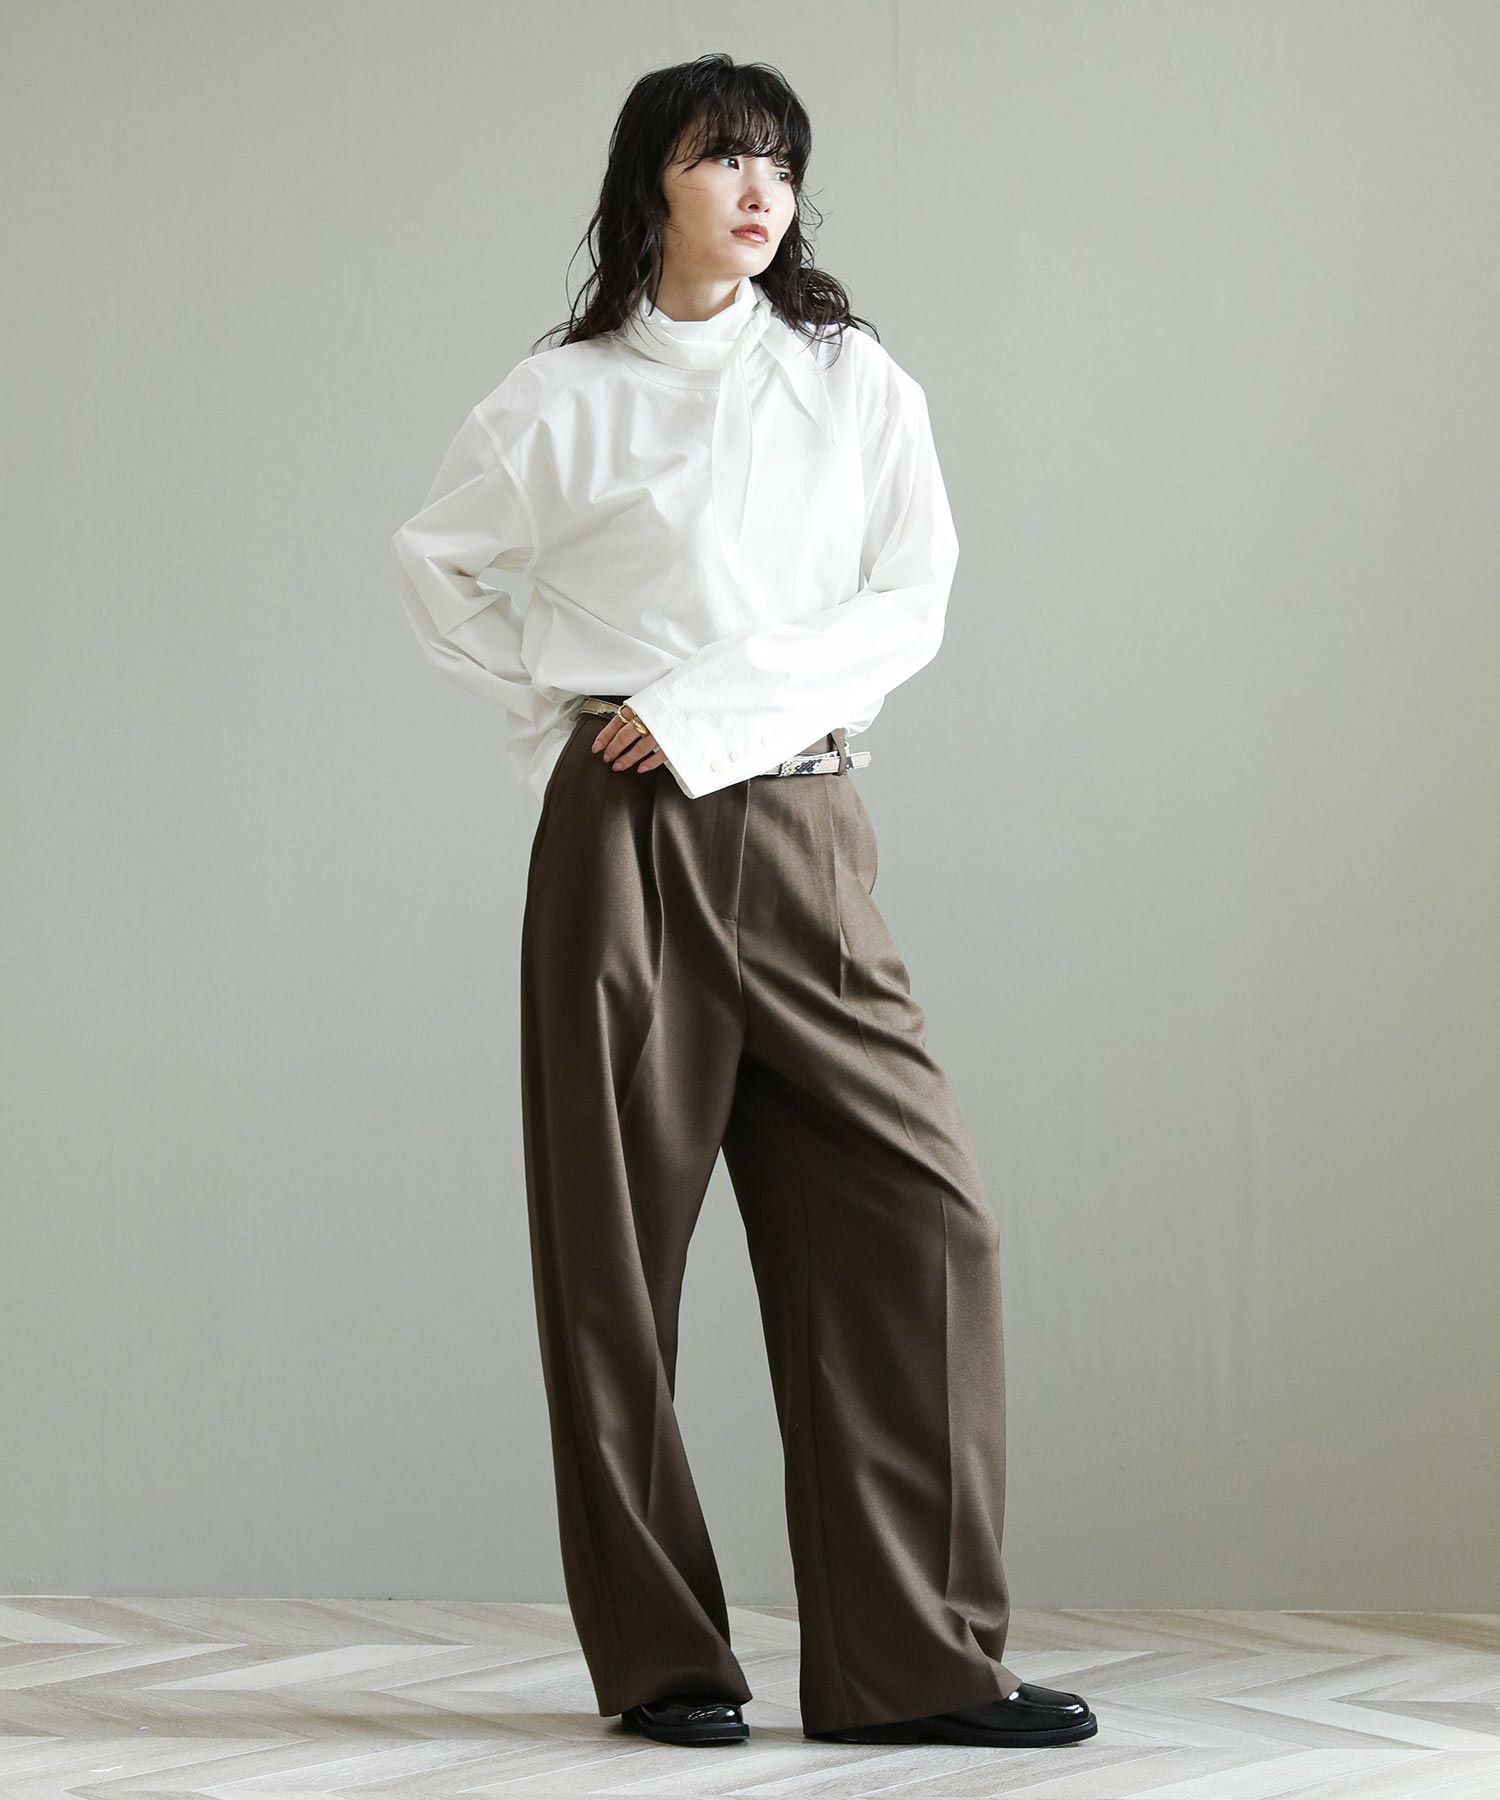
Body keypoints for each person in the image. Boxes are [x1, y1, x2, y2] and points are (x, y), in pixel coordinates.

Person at [389, 51, 1097, 1753]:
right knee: (612, 1261)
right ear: (654, 184)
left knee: (925, 1221)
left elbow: (908, 599)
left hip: (805, 829)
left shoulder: (852, 381)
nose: (761, 188)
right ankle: (665, 1663)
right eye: (723, 158)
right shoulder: (561, 398)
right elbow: (436, 565)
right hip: (624, 847)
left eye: (780, 159)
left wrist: (706, 707)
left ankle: (915, 1666)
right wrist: (576, 712)